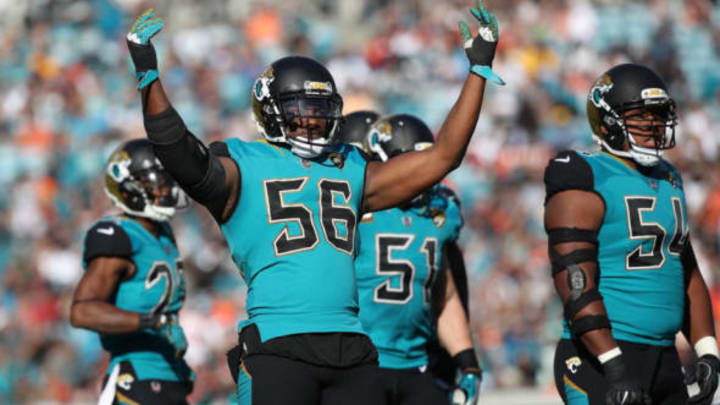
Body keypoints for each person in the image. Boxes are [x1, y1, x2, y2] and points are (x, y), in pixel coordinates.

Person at [125, 1, 503, 403]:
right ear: (271, 113)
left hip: (353, 346)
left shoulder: (350, 166)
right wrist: (149, 77)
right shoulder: (243, 163)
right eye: (300, 114)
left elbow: (444, 156)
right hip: (279, 343)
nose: (312, 123)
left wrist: (477, 72)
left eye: (320, 114)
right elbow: (178, 151)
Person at [545, 63, 720, 405]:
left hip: (665, 357)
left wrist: (707, 351)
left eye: (658, 116)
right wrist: (613, 364)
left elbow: (685, 272)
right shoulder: (585, 173)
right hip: (600, 355)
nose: (654, 125)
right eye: (642, 116)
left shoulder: (670, 177)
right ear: (609, 122)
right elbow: (574, 278)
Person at [343, 113, 481, 405]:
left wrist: (468, 362)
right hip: (358, 362)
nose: (422, 173)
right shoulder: (351, 207)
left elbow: (443, 292)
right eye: (410, 162)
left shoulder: (438, 214)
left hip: (416, 364)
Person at [70, 139, 193, 405]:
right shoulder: (118, 234)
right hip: (134, 378)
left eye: (166, 179)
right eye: (155, 181)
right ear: (129, 189)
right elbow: (82, 311)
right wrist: (149, 322)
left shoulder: (163, 233)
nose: (165, 188)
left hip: (171, 376)